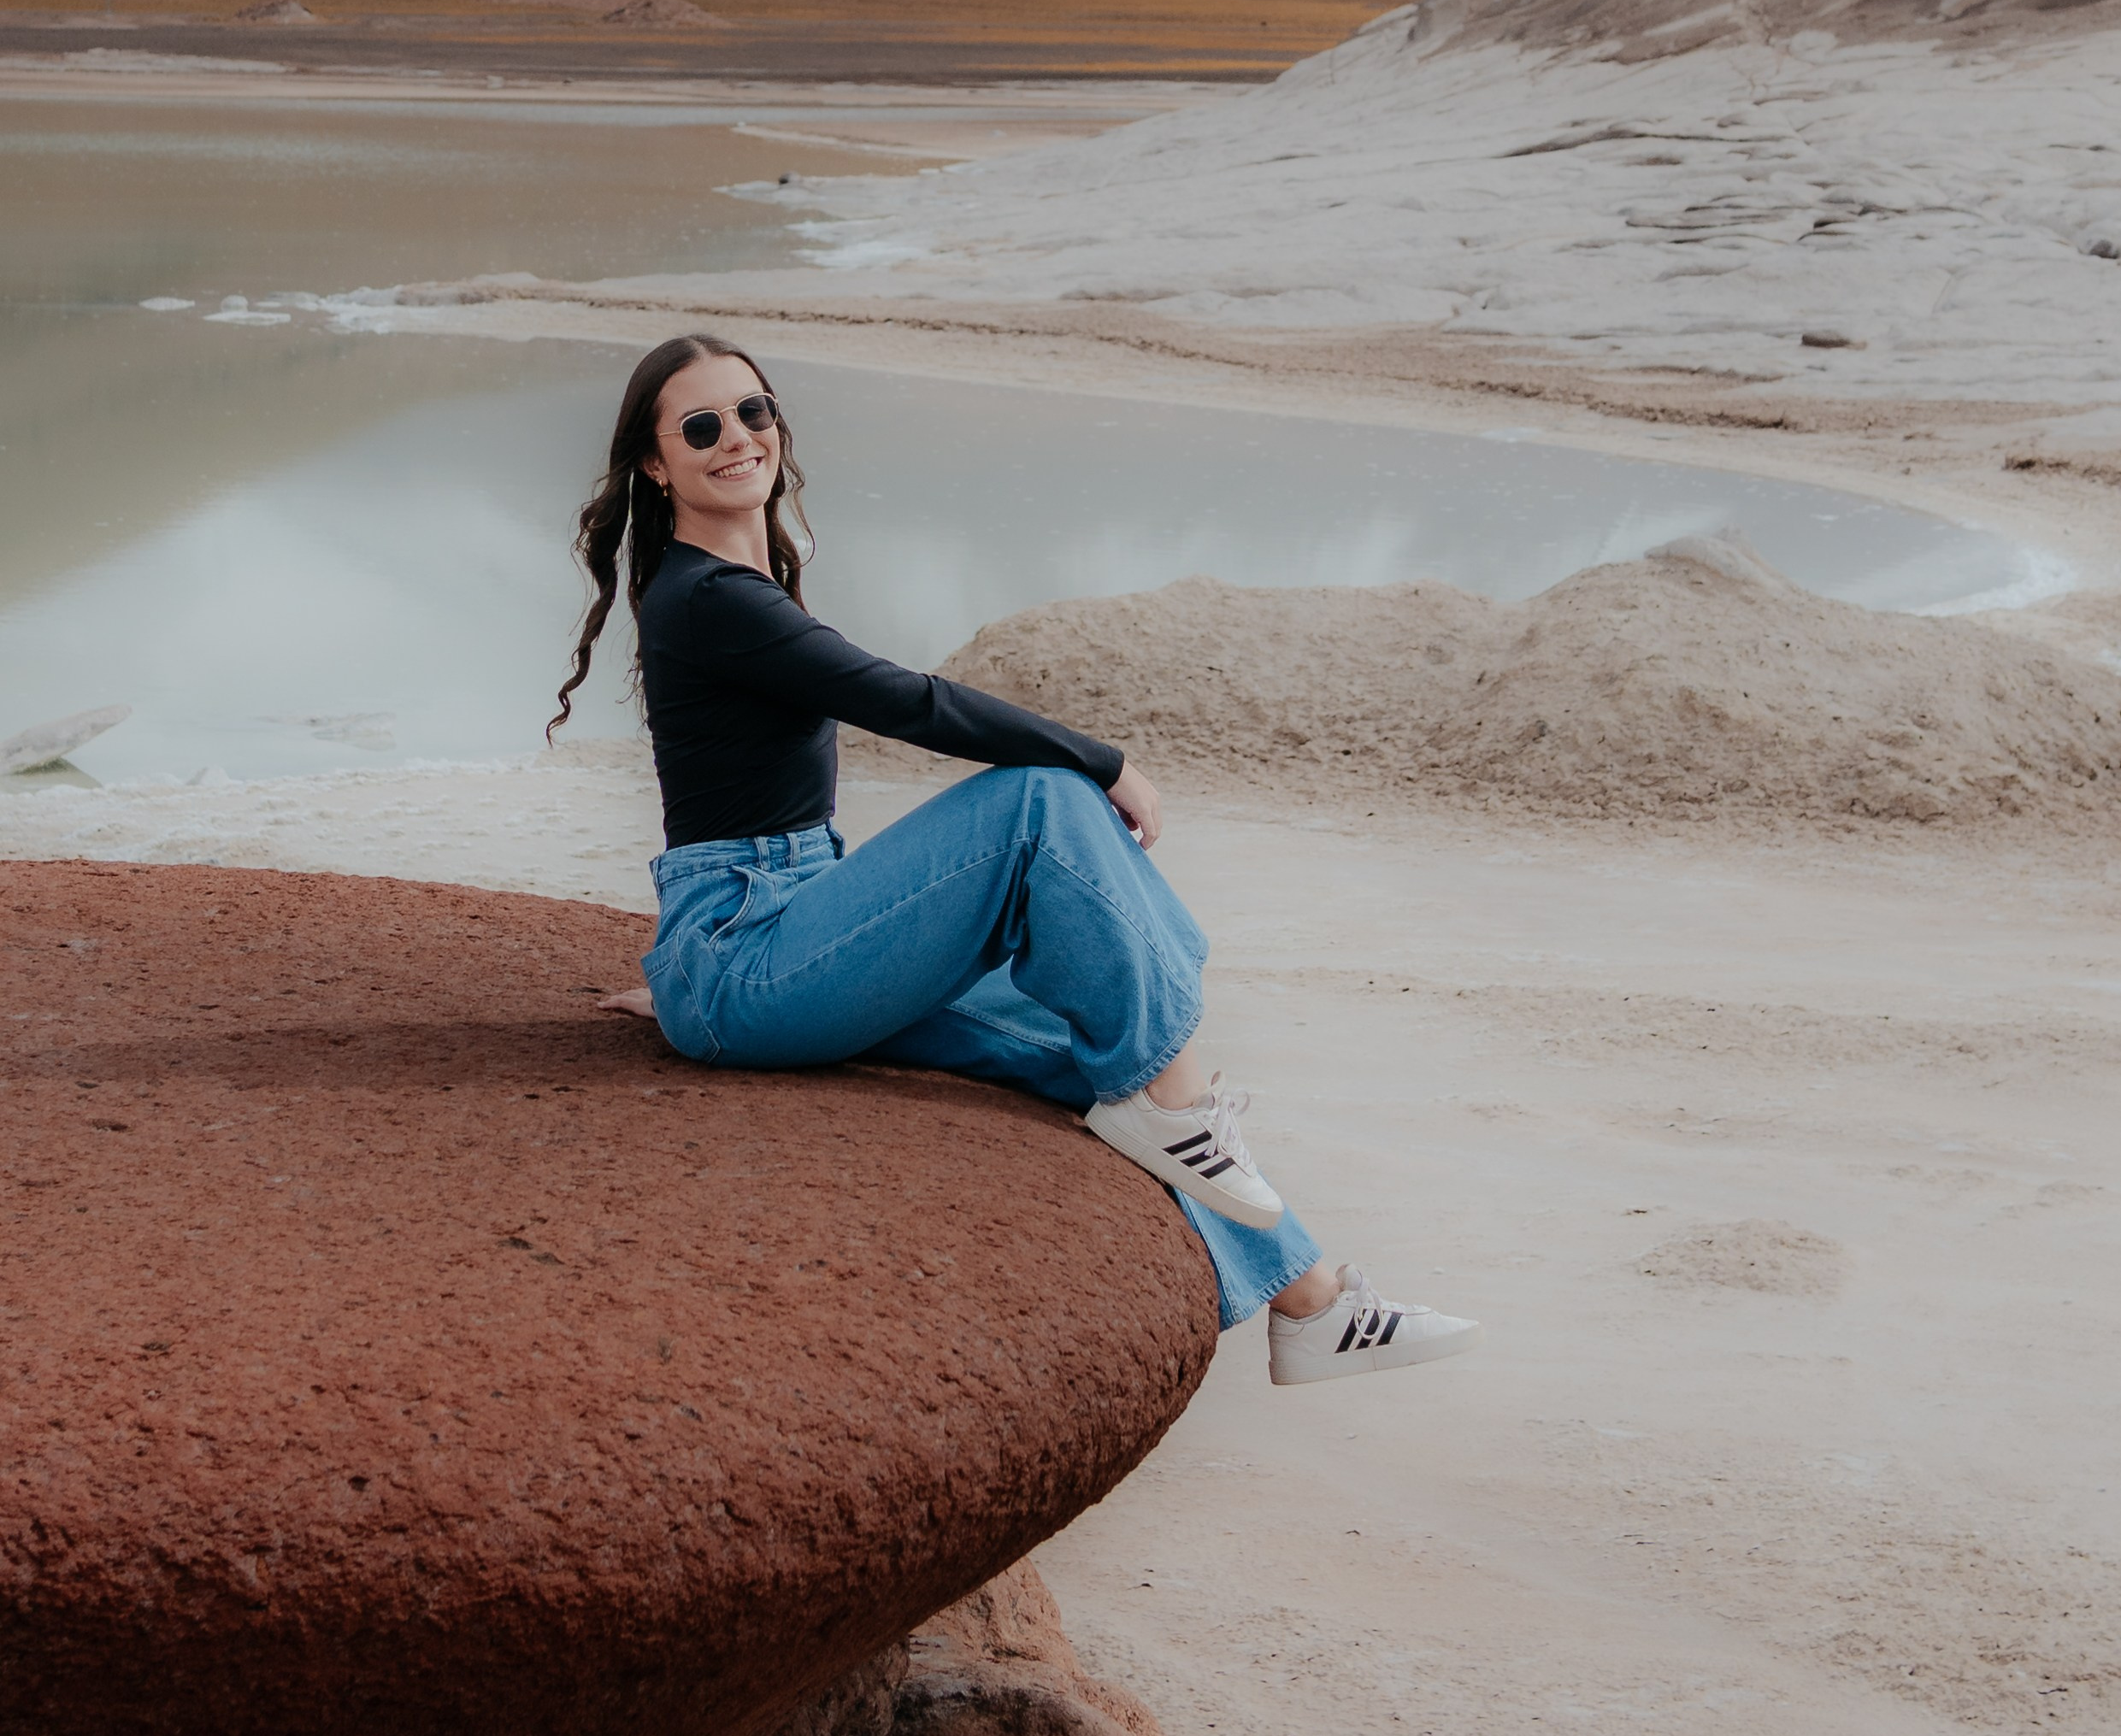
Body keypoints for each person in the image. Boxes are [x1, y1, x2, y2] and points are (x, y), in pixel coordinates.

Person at [563, 332, 1478, 1387]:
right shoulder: (714, 599)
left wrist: (692, 978)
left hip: (777, 934)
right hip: (749, 947)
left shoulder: (733, 582)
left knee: (1095, 1048)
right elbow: (909, 701)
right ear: (655, 463)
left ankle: (1309, 1303)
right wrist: (1105, 760)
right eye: (702, 426)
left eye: (753, 411)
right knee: (1041, 797)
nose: (738, 438)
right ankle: (1183, 1112)